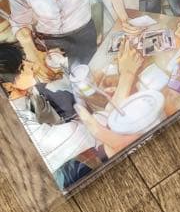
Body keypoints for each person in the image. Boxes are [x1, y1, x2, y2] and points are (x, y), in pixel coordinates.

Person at [0, 39, 143, 189]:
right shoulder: (21, 123)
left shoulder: (27, 94)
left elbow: (81, 118)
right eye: (22, 67)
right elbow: (95, 131)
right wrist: (127, 74)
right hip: (76, 173)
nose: (32, 65)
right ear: (7, 86)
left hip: (85, 146)